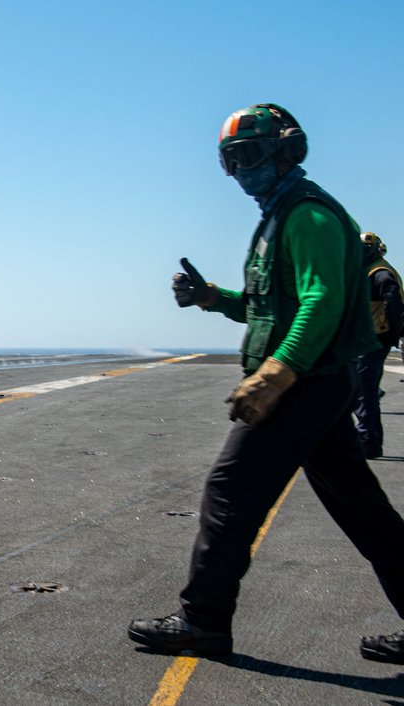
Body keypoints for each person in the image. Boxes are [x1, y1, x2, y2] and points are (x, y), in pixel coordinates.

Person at [128, 103, 404, 664]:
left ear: (286, 151)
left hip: (306, 384)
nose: (240, 172)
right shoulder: (280, 216)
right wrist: (211, 299)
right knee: (365, 511)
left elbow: (320, 300)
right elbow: (265, 310)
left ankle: (203, 622)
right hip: (320, 384)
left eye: (248, 155)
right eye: (229, 162)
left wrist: (277, 373)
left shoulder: (309, 216)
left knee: (229, 492)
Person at [354, 232, 403, 459]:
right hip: (366, 339)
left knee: (365, 390)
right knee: (359, 387)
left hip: (374, 339)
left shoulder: (381, 274)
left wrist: (395, 336)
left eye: (364, 249)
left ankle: (369, 442)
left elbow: (395, 308)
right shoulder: (369, 270)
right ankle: (365, 437)